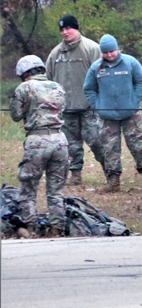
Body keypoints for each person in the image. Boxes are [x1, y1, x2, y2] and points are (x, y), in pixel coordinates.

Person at [83, 34, 142, 192]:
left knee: (138, 146)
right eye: (105, 52)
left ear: (117, 49)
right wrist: (98, 106)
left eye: (112, 51)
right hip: (107, 116)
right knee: (109, 148)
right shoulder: (96, 67)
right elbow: (89, 88)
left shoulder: (130, 62)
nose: (109, 55)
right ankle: (113, 182)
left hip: (130, 114)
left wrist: (134, 100)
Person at [9, 55, 69, 237]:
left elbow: (16, 115)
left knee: (28, 186)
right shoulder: (58, 87)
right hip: (60, 140)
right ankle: (56, 228)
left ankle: (30, 227)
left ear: (24, 73)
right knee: (56, 190)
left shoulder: (24, 88)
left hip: (37, 140)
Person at [45, 14, 105, 186]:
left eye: (68, 28)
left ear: (76, 28)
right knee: (71, 145)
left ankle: (110, 173)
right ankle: (75, 174)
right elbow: (48, 78)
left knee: (97, 141)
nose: (65, 32)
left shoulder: (92, 48)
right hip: (66, 108)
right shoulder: (55, 53)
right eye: (62, 29)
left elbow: (102, 76)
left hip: (89, 107)